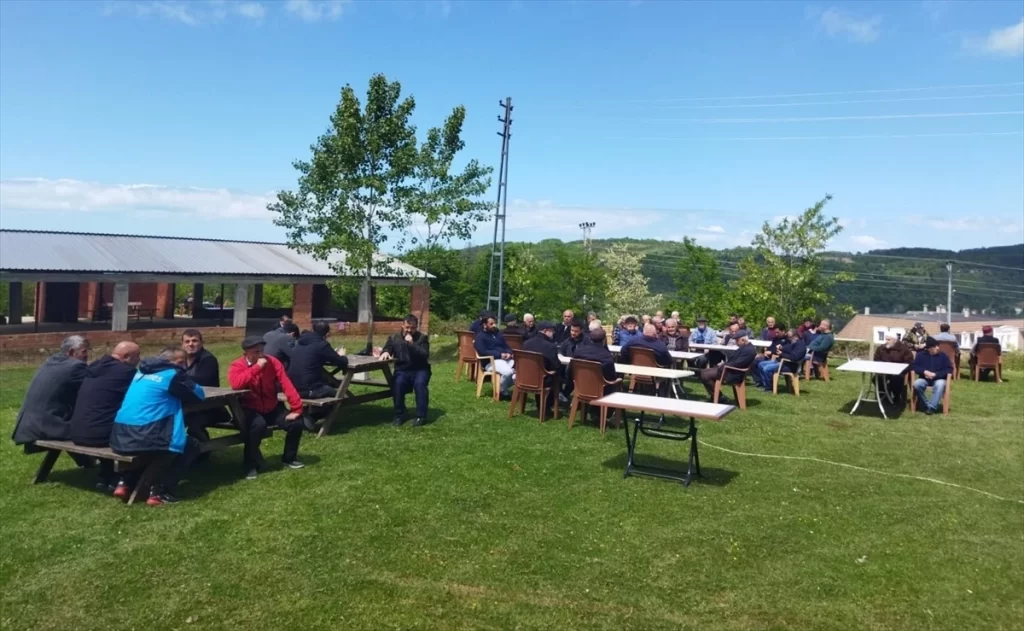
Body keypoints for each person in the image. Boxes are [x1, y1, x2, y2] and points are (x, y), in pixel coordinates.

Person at [110, 347, 205, 505]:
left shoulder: (140, 373)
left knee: (150, 446)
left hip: (120, 435)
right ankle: (160, 492)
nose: (183, 366)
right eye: (180, 362)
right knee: (190, 444)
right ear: (168, 362)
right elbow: (198, 394)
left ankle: (125, 483)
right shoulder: (172, 374)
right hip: (146, 435)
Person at [228, 336, 306, 479]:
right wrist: (257, 368)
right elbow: (236, 384)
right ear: (246, 353)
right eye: (256, 352)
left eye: (262, 350)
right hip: (249, 408)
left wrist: (297, 408)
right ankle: (250, 465)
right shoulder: (237, 365)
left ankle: (289, 459)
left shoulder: (273, 362)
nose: (261, 355)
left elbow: (286, 383)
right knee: (257, 426)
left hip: (272, 406)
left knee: (296, 423)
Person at [69, 341, 141, 491]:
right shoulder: (126, 372)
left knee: (106, 418)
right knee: (139, 433)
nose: (139, 359)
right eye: (137, 355)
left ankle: (105, 475)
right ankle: (124, 478)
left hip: (76, 430)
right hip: (100, 435)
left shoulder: (94, 367)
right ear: (126, 357)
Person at [12, 335, 90, 448]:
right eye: (84, 351)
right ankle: (106, 464)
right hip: (48, 426)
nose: (86, 355)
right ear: (72, 352)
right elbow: (94, 389)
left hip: (27, 425)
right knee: (96, 428)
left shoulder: (50, 361)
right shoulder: (76, 367)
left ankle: (89, 462)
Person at [379, 314, 431, 427]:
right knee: (397, 383)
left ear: (416, 327)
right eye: (407, 327)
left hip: (420, 369)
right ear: (403, 325)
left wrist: (411, 344)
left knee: (420, 384)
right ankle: (400, 414)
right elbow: (388, 347)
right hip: (402, 369)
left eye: (412, 328)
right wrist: (386, 352)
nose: (409, 330)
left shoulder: (422, 338)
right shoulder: (394, 337)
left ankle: (421, 416)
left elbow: (425, 354)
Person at [182, 329, 229, 444]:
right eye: (187, 341)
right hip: (186, 405)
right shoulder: (180, 359)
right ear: (182, 344)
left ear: (201, 343)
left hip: (210, 407)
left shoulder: (208, 359)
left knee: (193, 422)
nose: (191, 344)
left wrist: (178, 378)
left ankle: (201, 452)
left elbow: (203, 381)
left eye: (194, 341)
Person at [287, 320, 349, 400]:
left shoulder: (299, 342)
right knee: (339, 394)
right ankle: (323, 412)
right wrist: (342, 355)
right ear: (327, 334)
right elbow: (340, 361)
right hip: (309, 389)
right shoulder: (322, 344)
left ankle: (314, 411)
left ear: (313, 330)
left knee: (326, 383)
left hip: (292, 387)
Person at [699, 333, 756, 404]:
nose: (736, 342)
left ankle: (719, 397)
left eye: (737, 340)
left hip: (733, 373)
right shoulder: (745, 347)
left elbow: (738, 363)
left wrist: (724, 365)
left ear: (743, 340)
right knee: (703, 372)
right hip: (729, 370)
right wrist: (723, 364)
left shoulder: (749, 350)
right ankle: (718, 396)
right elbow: (734, 361)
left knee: (705, 375)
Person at [474, 315, 515, 399]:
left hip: (505, 360)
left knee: (519, 373)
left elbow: (506, 346)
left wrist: (509, 353)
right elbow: (483, 352)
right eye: (491, 324)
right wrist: (499, 355)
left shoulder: (498, 334)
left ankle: (501, 387)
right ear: (485, 325)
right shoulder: (480, 337)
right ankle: (503, 391)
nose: (494, 325)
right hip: (490, 362)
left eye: (494, 323)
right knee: (508, 372)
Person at [572, 327, 619, 395]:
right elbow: (612, 378)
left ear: (590, 339)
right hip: (601, 391)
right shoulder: (607, 356)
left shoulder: (578, 352)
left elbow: (570, 370)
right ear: (604, 340)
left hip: (581, 387)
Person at [912, 338, 953, 415]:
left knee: (940, 384)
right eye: (935, 346)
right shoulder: (921, 355)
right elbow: (914, 366)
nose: (938, 348)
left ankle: (932, 407)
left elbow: (949, 369)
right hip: (924, 378)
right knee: (916, 384)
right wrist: (924, 371)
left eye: (938, 346)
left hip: (938, 379)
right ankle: (928, 405)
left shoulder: (943, 356)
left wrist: (936, 374)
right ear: (929, 348)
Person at [523, 321, 563, 394]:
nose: (553, 333)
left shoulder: (526, 343)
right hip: (542, 380)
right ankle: (550, 402)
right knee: (557, 375)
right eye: (551, 330)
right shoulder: (551, 346)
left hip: (525, 378)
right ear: (545, 331)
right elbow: (555, 365)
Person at [873, 332, 914, 402]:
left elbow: (909, 363)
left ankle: (896, 396)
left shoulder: (904, 349)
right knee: (877, 378)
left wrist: (899, 369)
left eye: (889, 340)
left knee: (896, 379)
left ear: (895, 340)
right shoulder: (881, 348)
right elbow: (876, 360)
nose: (886, 341)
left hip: (898, 372)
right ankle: (884, 396)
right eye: (886, 339)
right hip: (884, 371)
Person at [751, 324, 787, 388]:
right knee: (754, 362)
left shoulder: (786, 340)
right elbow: (771, 347)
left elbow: (784, 350)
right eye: (775, 332)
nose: (776, 334)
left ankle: (768, 384)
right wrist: (764, 353)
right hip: (769, 356)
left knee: (761, 364)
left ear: (783, 331)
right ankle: (759, 381)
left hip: (776, 358)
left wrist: (771, 352)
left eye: (778, 332)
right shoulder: (776, 339)